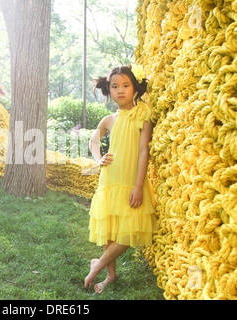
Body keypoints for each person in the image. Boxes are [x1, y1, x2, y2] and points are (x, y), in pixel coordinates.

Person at [84, 64, 156, 294]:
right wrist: (98, 160)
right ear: (109, 91)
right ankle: (111, 276)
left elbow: (144, 150)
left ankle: (97, 267)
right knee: (111, 230)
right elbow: (93, 142)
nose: (120, 90)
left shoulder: (143, 113)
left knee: (126, 233)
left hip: (130, 181)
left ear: (135, 87)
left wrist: (138, 186)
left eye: (125, 85)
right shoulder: (109, 119)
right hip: (110, 179)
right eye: (115, 86)